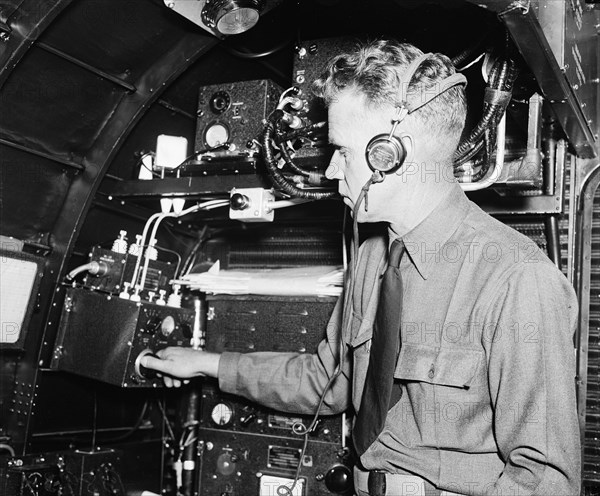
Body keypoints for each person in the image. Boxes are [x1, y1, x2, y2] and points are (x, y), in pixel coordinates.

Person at [141, 40, 581, 496]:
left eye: (343, 152)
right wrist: (208, 364)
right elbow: (327, 382)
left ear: (391, 155)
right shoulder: (374, 255)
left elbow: (544, 482)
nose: (331, 170)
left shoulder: (516, 279)